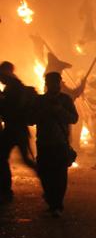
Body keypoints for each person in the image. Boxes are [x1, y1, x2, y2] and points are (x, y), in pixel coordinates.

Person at [33, 72, 79, 217]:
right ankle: (52, 200)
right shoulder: (40, 101)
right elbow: (30, 119)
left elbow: (74, 119)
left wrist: (60, 110)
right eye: (51, 82)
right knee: (45, 174)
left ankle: (57, 204)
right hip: (44, 142)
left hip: (60, 143)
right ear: (47, 83)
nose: (55, 85)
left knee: (60, 175)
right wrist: (43, 111)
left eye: (57, 82)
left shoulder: (65, 100)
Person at [0, 61, 37, 204]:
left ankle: (5, 191)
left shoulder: (14, 88)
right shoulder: (15, 86)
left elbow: (11, 109)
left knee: (3, 157)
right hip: (17, 129)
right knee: (23, 159)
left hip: (14, 129)